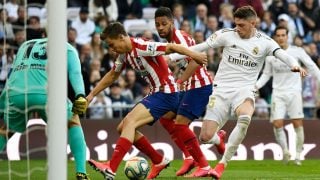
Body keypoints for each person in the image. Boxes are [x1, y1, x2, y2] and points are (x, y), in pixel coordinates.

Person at [168, 6, 307, 179]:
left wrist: (294, 64)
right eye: (236, 24)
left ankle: (221, 165)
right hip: (221, 90)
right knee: (205, 137)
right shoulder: (226, 34)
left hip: (244, 90)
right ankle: (218, 138)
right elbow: (199, 47)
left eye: (241, 25)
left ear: (253, 23)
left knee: (245, 117)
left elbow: (283, 55)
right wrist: (171, 57)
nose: (237, 28)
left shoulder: (265, 42)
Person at [86, 22, 207, 180]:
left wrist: (195, 55)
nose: (112, 49)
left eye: (112, 44)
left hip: (167, 93)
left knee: (130, 122)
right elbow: (112, 75)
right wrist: (91, 95)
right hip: (157, 93)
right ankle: (158, 160)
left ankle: (111, 167)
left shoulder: (142, 46)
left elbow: (170, 47)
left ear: (121, 37)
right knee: (123, 127)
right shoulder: (124, 54)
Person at [0, 38, 89, 180]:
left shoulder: (24, 45)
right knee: (73, 121)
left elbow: (12, 76)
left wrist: (2, 103)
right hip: (45, 93)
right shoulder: (66, 47)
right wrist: (80, 95)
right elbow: (75, 73)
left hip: (16, 93)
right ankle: (81, 173)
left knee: (7, 130)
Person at [154, 7, 226, 177]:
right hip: (189, 86)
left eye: (164, 24)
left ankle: (203, 165)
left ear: (172, 22)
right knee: (165, 118)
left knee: (180, 124)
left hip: (200, 86)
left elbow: (196, 61)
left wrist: (179, 81)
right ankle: (190, 155)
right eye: (157, 25)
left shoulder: (179, 38)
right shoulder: (171, 40)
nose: (161, 28)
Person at [255, 26, 320, 166]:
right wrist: (256, 86)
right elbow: (266, 74)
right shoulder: (271, 55)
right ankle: (285, 151)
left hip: (294, 92)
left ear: (287, 36)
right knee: (277, 123)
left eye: (283, 35)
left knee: (297, 123)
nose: (280, 38)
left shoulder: (297, 52)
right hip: (278, 93)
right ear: (275, 37)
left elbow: (311, 66)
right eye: (278, 35)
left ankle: (297, 155)